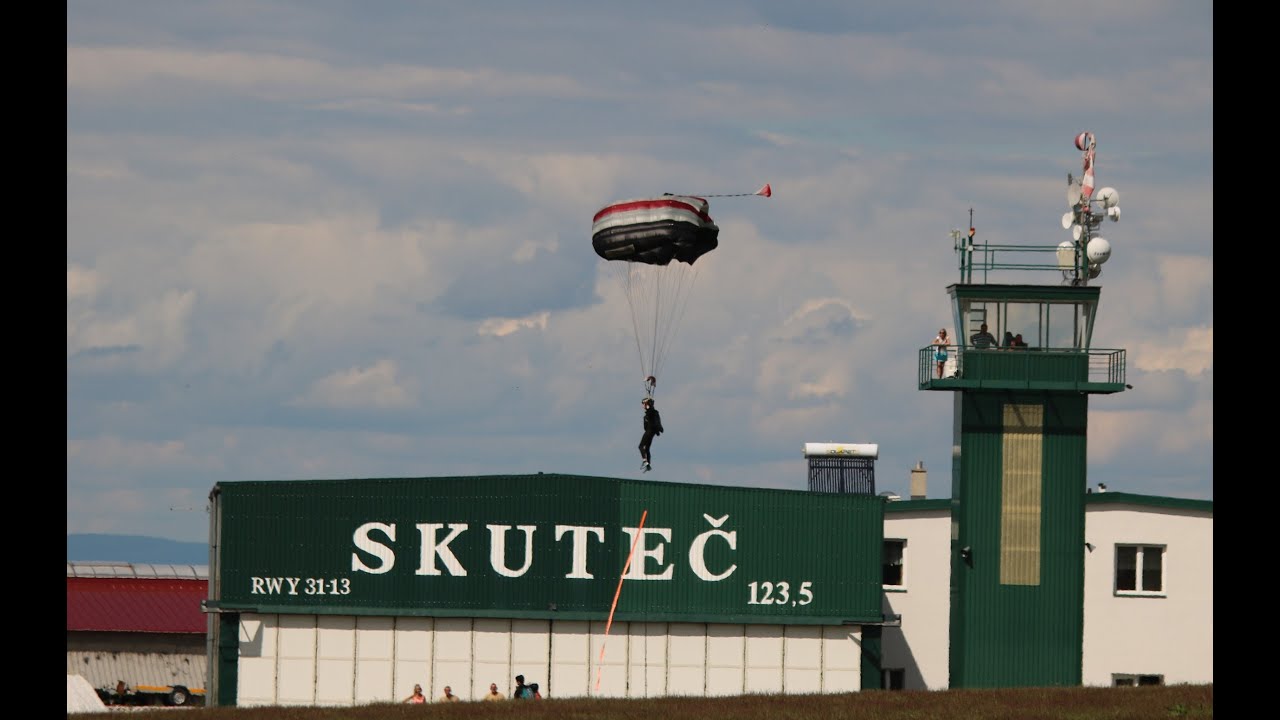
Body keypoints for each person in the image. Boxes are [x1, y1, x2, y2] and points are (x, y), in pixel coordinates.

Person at [639, 396, 663, 472]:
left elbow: (651, 414)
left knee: (641, 446)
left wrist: (649, 403)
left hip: (649, 432)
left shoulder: (651, 412)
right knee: (647, 449)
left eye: (644, 404)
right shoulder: (653, 413)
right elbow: (656, 423)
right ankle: (648, 464)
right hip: (652, 433)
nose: (643, 406)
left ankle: (645, 461)